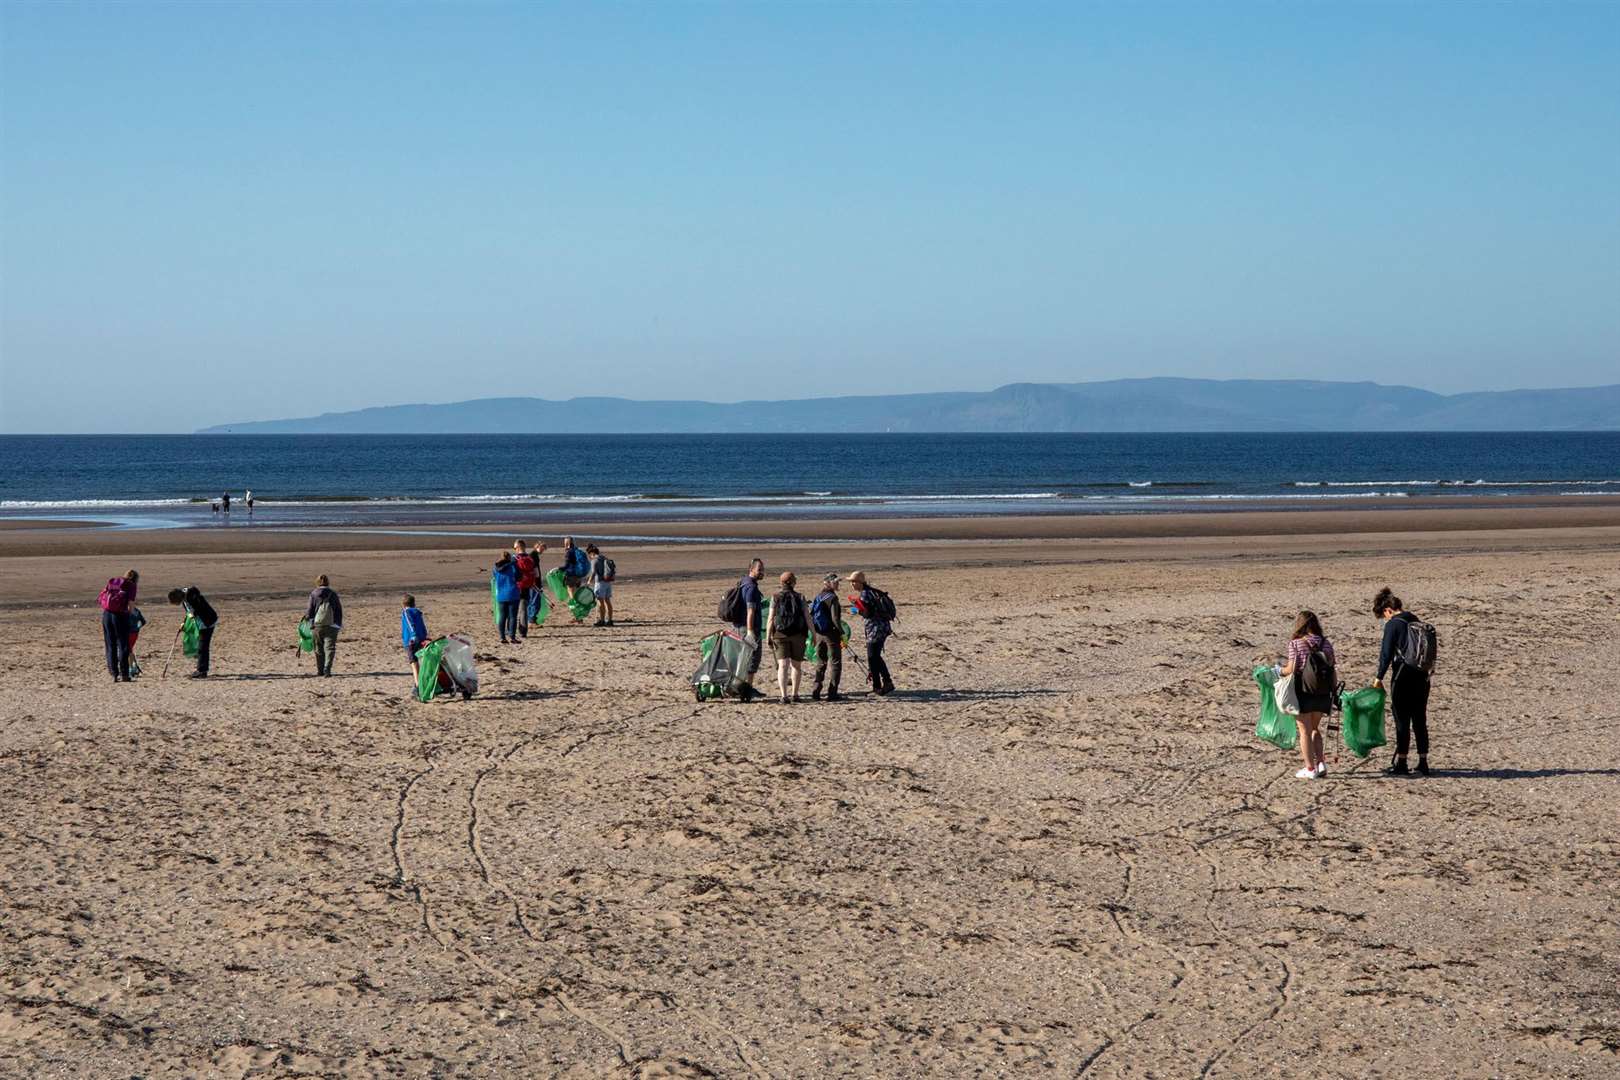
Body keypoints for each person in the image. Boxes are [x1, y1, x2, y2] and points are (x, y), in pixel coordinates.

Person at [1374, 587, 1432, 776]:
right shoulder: (1415, 620)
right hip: (1422, 675)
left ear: (1387, 610)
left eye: (1384, 616)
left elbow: (1386, 654)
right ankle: (1423, 761)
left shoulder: (1393, 624)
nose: (1386, 619)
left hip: (1403, 676)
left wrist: (1379, 677)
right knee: (1419, 718)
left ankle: (1402, 761)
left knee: (1402, 719)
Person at [1279, 610, 1336, 780]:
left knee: (1304, 730)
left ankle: (1309, 768)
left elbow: (1291, 669)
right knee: (1314, 728)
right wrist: (1334, 692)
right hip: (1322, 692)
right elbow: (1332, 669)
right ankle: (1321, 763)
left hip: (1303, 692)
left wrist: (1278, 670)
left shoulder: (1296, 644)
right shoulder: (1326, 643)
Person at [847, 570, 895, 696]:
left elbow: (868, 613)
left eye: (854, 582)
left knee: (873, 657)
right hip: (882, 628)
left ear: (860, 582)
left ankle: (883, 684)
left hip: (876, 629)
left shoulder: (865, 594)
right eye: (851, 582)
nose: (852, 584)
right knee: (875, 657)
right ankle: (881, 684)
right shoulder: (872, 592)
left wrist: (855, 610)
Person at [729, 558, 767, 700]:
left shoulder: (743, 582)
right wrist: (751, 631)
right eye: (759, 570)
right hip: (747, 628)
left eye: (763, 569)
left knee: (742, 658)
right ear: (751, 569)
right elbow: (750, 611)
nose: (762, 572)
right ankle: (747, 689)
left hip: (739, 626)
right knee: (752, 658)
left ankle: (740, 686)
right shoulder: (751, 587)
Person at [769, 572, 809, 703]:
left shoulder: (775, 597)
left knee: (783, 665)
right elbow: (807, 617)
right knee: (796, 666)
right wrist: (813, 633)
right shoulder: (800, 597)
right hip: (798, 634)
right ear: (793, 582)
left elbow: (770, 618)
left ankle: (783, 696)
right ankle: (795, 695)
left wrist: (768, 635)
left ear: (781, 583)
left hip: (780, 634)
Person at [167, 585, 219, 678]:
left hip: (208, 622)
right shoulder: (185, 598)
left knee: (203, 647)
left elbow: (198, 611)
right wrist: (184, 623)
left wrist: (191, 617)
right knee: (202, 647)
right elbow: (189, 613)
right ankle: (202, 669)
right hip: (202, 622)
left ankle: (202, 671)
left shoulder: (192, 598)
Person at [98, 569, 139, 683]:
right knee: (123, 645)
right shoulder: (131, 586)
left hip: (106, 615)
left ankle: (114, 674)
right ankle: (125, 674)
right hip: (120, 616)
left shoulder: (114, 582)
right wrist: (131, 616)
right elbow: (131, 607)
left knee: (110, 644)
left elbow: (102, 596)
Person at [810, 573, 843, 702]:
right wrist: (841, 632)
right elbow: (835, 618)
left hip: (819, 634)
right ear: (828, 583)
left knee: (820, 662)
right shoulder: (833, 598)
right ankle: (832, 693)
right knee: (835, 663)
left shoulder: (818, 596)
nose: (837, 584)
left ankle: (816, 690)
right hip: (831, 635)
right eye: (835, 582)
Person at [305, 575, 343, 676]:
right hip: (332, 625)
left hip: (317, 625)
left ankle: (320, 670)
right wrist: (338, 624)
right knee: (330, 648)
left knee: (318, 648)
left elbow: (309, 610)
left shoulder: (314, 593)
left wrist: (309, 621)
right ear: (328, 582)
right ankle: (327, 669)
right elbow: (338, 610)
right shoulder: (333, 594)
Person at [491, 553, 521, 644]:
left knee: (502, 616)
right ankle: (512, 637)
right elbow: (519, 577)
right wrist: (515, 564)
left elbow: (495, 578)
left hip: (501, 595)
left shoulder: (495, 568)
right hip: (513, 594)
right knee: (512, 617)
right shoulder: (512, 566)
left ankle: (502, 637)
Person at [512, 541, 539, 638]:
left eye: (514, 548)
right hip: (527, 586)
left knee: (513, 609)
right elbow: (537, 574)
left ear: (518, 547)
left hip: (516, 586)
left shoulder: (514, 558)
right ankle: (523, 632)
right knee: (523, 609)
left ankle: (511, 631)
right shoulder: (530, 558)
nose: (514, 550)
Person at [401, 594, 429, 683]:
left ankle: (418, 686)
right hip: (421, 639)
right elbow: (422, 626)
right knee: (420, 661)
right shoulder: (417, 612)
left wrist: (413, 635)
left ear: (403, 604)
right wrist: (425, 636)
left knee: (414, 663)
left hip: (411, 641)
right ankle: (421, 683)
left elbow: (410, 624)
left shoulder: (406, 612)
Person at [587, 544, 615, 627]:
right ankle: (610, 620)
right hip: (608, 582)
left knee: (600, 602)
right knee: (608, 601)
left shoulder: (594, 560)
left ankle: (602, 620)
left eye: (589, 554)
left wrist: (589, 581)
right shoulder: (604, 558)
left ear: (591, 553)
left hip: (600, 583)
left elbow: (593, 573)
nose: (589, 556)